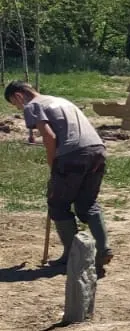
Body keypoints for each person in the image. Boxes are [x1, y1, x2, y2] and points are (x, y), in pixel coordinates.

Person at [5, 81, 113, 276]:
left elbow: (49, 137)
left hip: (71, 155)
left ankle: (72, 255)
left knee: (58, 204)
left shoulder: (33, 106)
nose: (19, 108)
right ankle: (103, 248)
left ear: (18, 96)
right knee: (87, 203)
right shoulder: (61, 100)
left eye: (15, 104)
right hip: (97, 150)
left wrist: (53, 166)